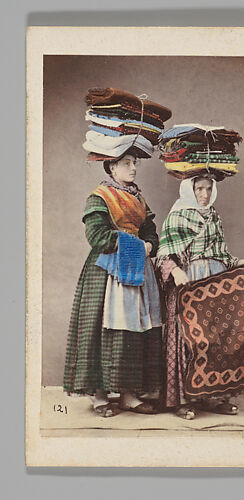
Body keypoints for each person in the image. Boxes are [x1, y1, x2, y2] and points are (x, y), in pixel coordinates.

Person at [63, 153, 162, 416]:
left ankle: (129, 395)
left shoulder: (138, 198)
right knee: (103, 330)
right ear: (112, 167)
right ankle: (99, 396)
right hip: (108, 271)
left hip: (138, 270)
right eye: (127, 163)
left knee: (134, 331)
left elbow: (150, 229)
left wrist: (150, 244)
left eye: (134, 163)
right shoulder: (99, 197)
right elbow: (98, 236)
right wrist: (135, 245)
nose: (133, 168)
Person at [157, 174, 244, 419]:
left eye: (209, 189)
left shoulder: (214, 216)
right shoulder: (177, 215)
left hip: (213, 283)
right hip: (188, 283)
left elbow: (221, 252)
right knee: (187, 340)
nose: (205, 194)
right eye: (199, 188)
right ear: (190, 189)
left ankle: (212, 398)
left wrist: (239, 263)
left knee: (212, 339)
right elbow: (164, 255)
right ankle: (182, 401)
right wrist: (176, 271)